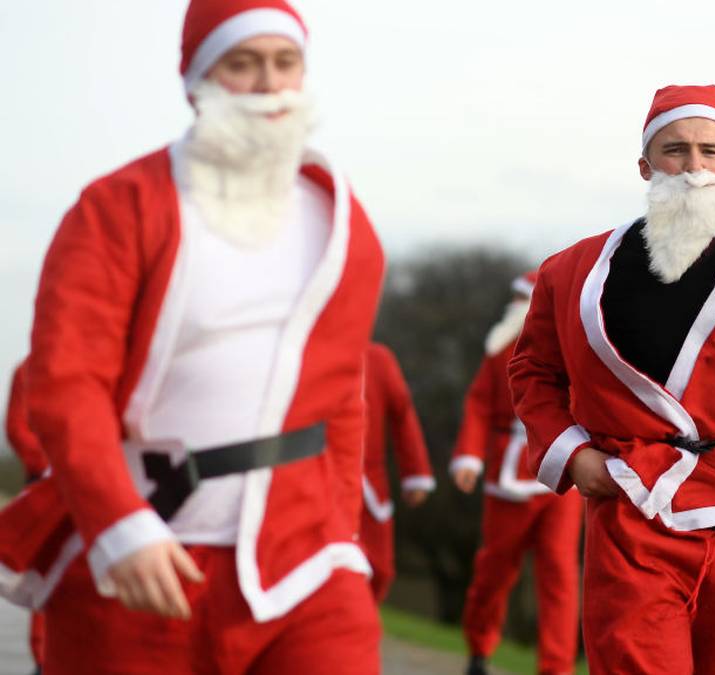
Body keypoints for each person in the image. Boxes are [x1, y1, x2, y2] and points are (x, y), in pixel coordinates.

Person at [3, 1, 386, 671]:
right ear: (197, 80)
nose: (269, 84)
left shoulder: (342, 224)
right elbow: (66, 384)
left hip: (303, 561)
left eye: (284, 62)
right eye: (242, 64)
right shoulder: (118, 206)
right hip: (145, 549)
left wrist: (344, 531)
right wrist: (119, 523)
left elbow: (341, 397)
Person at [508, 84, 715, 674]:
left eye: (710, 152)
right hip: (630, 503)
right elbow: (533, 369)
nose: (694, 169)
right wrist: (570, 451)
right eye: (675, 151)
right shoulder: (572, 271)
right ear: (644, 165)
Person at [451, 272, 583, 675]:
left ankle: (556, 667)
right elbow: (477, 405)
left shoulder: (575, 348)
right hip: (509, 474)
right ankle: (478, 649)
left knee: (560, 577)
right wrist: (469, 457)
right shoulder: (498, 350)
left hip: (564, 476)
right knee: (495, 569)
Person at [361, 341, 435, 603]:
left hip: (369, 489)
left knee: (379, 568)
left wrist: (416, 472)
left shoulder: (379, 360)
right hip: (317, 480)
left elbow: (402, 414)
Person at [5, 361, 47, 672]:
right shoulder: (28, 370)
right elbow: (17, 429)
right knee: (43, 576)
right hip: (46, 489)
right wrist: (59, 468)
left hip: (101, 487)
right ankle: (44, 660)